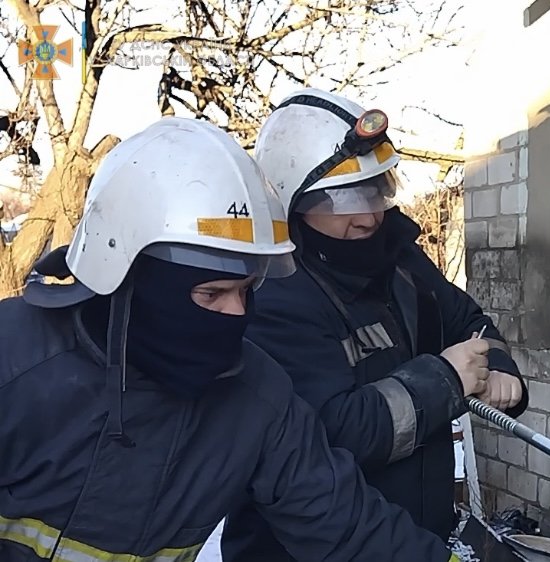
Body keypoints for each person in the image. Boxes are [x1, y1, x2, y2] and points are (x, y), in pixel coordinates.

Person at [0, 116, 461, 562]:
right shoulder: (14, 359)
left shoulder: (257, 397)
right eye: (212, 294)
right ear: (129, 277)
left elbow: (346, 526)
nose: (238, 313)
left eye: (246, 290)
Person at [221, 88, 529, 562]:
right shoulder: (274, 293)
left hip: (414, 536)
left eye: (374, 190)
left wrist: (500, 366)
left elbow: (467, 320)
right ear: (290, 202)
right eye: (343, 199)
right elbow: (328, 432)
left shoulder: (401, 260)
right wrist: (445, 380)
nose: (367, 216)